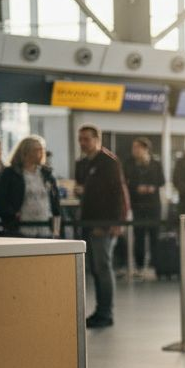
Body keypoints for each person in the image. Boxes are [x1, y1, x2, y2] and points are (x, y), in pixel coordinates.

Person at [74, 124, 129, 328]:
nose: (82, 143)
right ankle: (99, 310)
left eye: (86, 139)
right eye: (80, 139)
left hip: (104, 224)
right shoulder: (82, 163)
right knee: (95, 269)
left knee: (103, 267)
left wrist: (113, 223)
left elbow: (118, 194)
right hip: (88, 222)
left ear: (97, 139)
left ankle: (106, 312)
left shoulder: (109, 162)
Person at [0, 135, 59, 238]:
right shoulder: (10, 173)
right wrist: (12, 214)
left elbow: (55, 203)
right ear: (25, 152)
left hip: (45, 227)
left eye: (42, 149)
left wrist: (56, 229)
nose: (42, 153)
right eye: (37, 149)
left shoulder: (46, 174)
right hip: (21, 228)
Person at [122, 138, 164, 270]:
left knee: (154, 234)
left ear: (146, 149)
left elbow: (161, 181)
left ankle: (155, 264)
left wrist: (152, 187)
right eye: (133, 148)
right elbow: (124, 182)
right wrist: (136, 188)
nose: (134, 150)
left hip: (153, 204)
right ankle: (139, 264)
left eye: (137, 148)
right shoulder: (129, 164)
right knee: (138, 234)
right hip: (137, 204)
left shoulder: (156, 164)